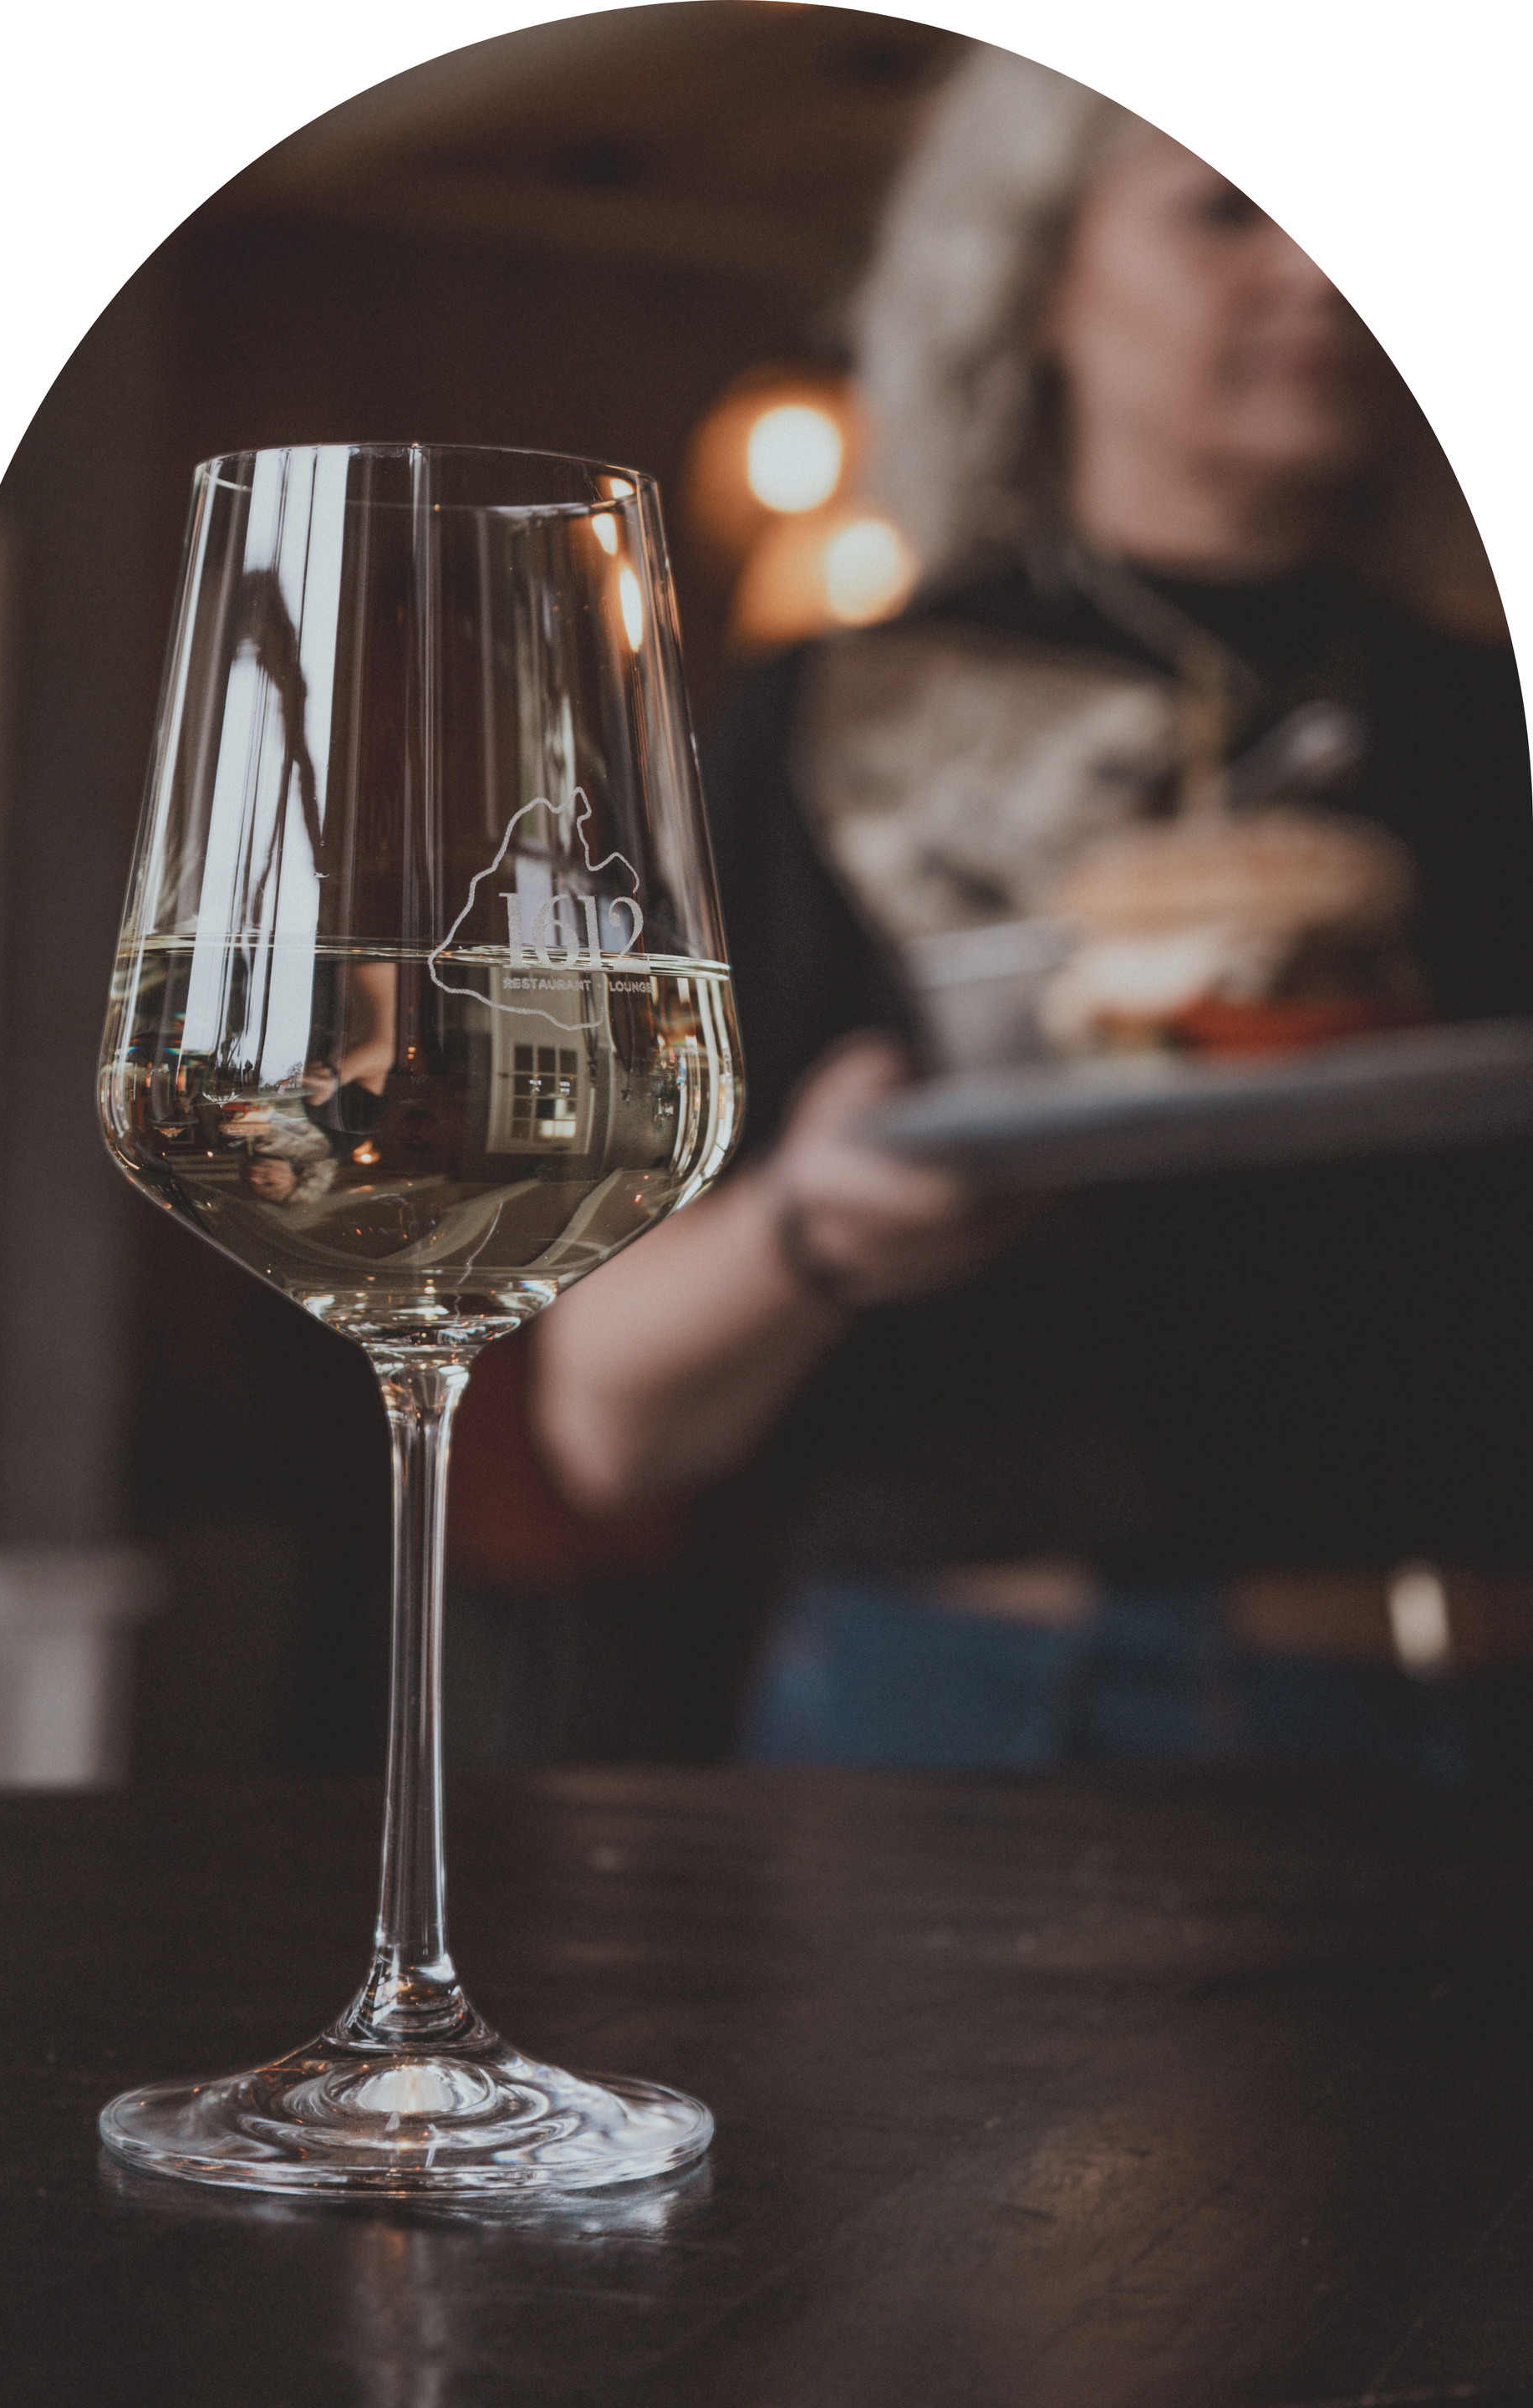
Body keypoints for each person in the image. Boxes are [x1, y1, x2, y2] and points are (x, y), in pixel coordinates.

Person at [531, 46, 1533, 1775]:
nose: (1311, 271)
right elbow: (602, 1423)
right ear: (1034, 270)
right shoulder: (839, 720)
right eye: (1222, 209)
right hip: (988, 1712)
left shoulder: (1483, 722)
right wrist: (820, 1229)